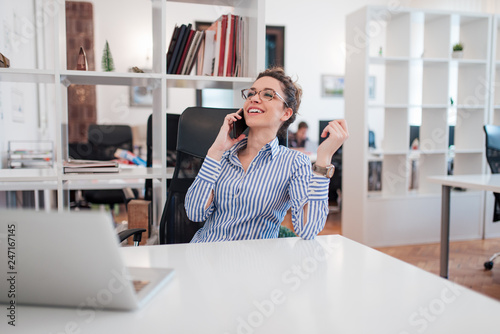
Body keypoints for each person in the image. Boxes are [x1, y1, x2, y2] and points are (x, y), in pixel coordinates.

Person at [185, 67, 349, 243]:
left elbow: (308, 230)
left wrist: (323, 159)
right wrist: (215, 152)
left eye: (268, 95)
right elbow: (195, 213)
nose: (254, 98)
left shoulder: (294, 162)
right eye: (251, 94)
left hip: (254, 264)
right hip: (204, 255)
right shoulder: (223, 156)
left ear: (286, 113)